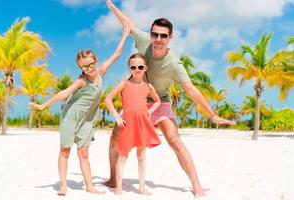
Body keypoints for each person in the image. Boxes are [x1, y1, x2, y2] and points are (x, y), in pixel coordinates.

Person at [104, 0, 235, 197]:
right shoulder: (143, 42)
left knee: (175, 140)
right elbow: (128, 24)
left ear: (170, 38)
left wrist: (211, 114)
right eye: (155, 34)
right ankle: (114, 178)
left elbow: (191, 90)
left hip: (161, 102)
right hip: (136, 101)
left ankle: (196, 186)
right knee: (115, 137)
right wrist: (111, 5)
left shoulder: (174, 63)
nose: (158, 38)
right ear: (150, 34)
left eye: (163, 36)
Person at [29, 23, 130, 196]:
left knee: (83, 152)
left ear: (96, 61)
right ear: (80, 68)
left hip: (88, 118)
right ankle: (63, 186)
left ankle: (89, 186)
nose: (89, 69)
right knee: (65, 150)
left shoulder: (101, 72)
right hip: (71, 115)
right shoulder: (82, 80)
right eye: (84, 67)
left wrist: (125, 34)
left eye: (91, 64)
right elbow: (64, 94)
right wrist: (42, 106)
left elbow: (117, 54)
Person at [105, 53, 161, 195]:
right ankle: (118, 188)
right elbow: (108, 99)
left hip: (143, 123)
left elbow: (158, 101)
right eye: (133, 67)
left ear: (145, 68)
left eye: (140, 67)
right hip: (127, 123)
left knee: (141, 156)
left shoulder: (148, 86)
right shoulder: (124, 84)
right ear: (129, 68)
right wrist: (117, 116)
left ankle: (141, 187)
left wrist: (149, 112)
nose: (137, 69)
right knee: (123, 155)